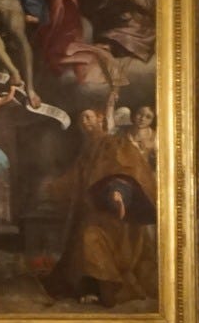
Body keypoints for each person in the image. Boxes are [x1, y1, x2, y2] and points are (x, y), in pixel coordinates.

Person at [45, 104, 158, 308]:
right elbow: (75, 177)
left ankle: (100, 288)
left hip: (114, 211)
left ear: (101, 119)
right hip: (92, 211)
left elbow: (125, 170)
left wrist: (118, 192)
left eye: (88, 117)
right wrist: (53, 187)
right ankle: (90, 286)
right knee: (85, 239)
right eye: (81, 119)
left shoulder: (115, 143)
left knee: (92, 237)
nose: (84, 122)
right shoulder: (87, 151)